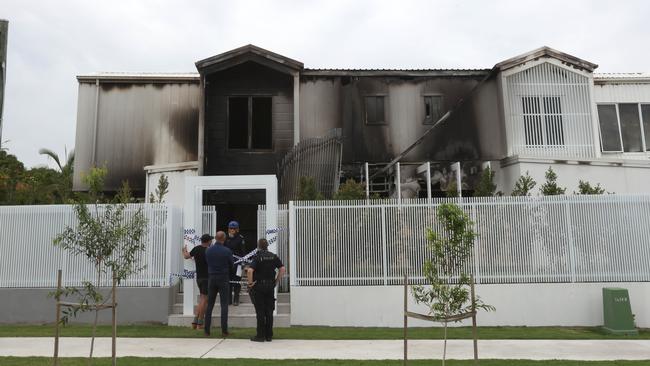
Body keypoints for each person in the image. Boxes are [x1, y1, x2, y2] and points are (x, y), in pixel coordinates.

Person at [247, 238, 285, 342]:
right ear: (267, 245)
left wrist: (250, 284)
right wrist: (276, 281)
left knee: (260, 311)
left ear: (258, 246)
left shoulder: (257, 257)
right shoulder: (273, 256)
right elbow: (282, 269)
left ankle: (260, 336)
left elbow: (250, 271)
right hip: (270, 286)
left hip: (259, 286)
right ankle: (269, 335)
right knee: (269, 311)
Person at [203, 231, 233, 337]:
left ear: (215, 238)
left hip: (212, 277)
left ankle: (207, 330)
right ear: (224, 239)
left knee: (210, 304)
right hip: (223, 277)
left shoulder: (208, 250)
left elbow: (207, 262)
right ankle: (224, 330)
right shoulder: (227, 251)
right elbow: (231, 264)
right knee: (224, 305)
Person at [182, 234, 212, 330]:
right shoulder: (209, 251)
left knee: (201, 300)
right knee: (204, 300)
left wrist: (184, 250)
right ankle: (200, 323)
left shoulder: (196, 249)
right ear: (208, 241)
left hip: (199, 278)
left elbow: (186, 256)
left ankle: (195, 322)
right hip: (207, 278)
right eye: (211, 240)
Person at [224, 220, 246, 306]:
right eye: (230, 228)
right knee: (228, 281)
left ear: (237, 229)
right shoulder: (225, 238)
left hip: (238, 264)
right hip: (227, 264)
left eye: (234, 228)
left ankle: (236, 299)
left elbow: (243, 251)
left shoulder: (241, 238)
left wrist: (243, 262)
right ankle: (228, 300)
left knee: (237, 281)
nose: (232, 230)